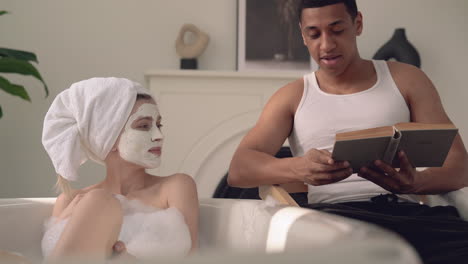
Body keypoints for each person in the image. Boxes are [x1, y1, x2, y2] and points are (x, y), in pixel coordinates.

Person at [228, 0, 468, 263]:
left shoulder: (407, 79)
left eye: (337, 30)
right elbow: (240, 170)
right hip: (333, 221)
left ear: (358, 24)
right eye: (314, 34)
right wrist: (299, 168)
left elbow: (461, 167)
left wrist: (416, 183)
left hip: (408, 216)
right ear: (303, 35)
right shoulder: (292, 96)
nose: (326, 45)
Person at [41, 77, 199, 262]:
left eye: (159, 125)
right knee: (98, 200)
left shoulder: (176, 186)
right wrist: (66, 218)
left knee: (98, 200)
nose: (159, 136)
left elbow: (192, 259)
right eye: (144, 126)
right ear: (109, 137)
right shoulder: (70, 201)